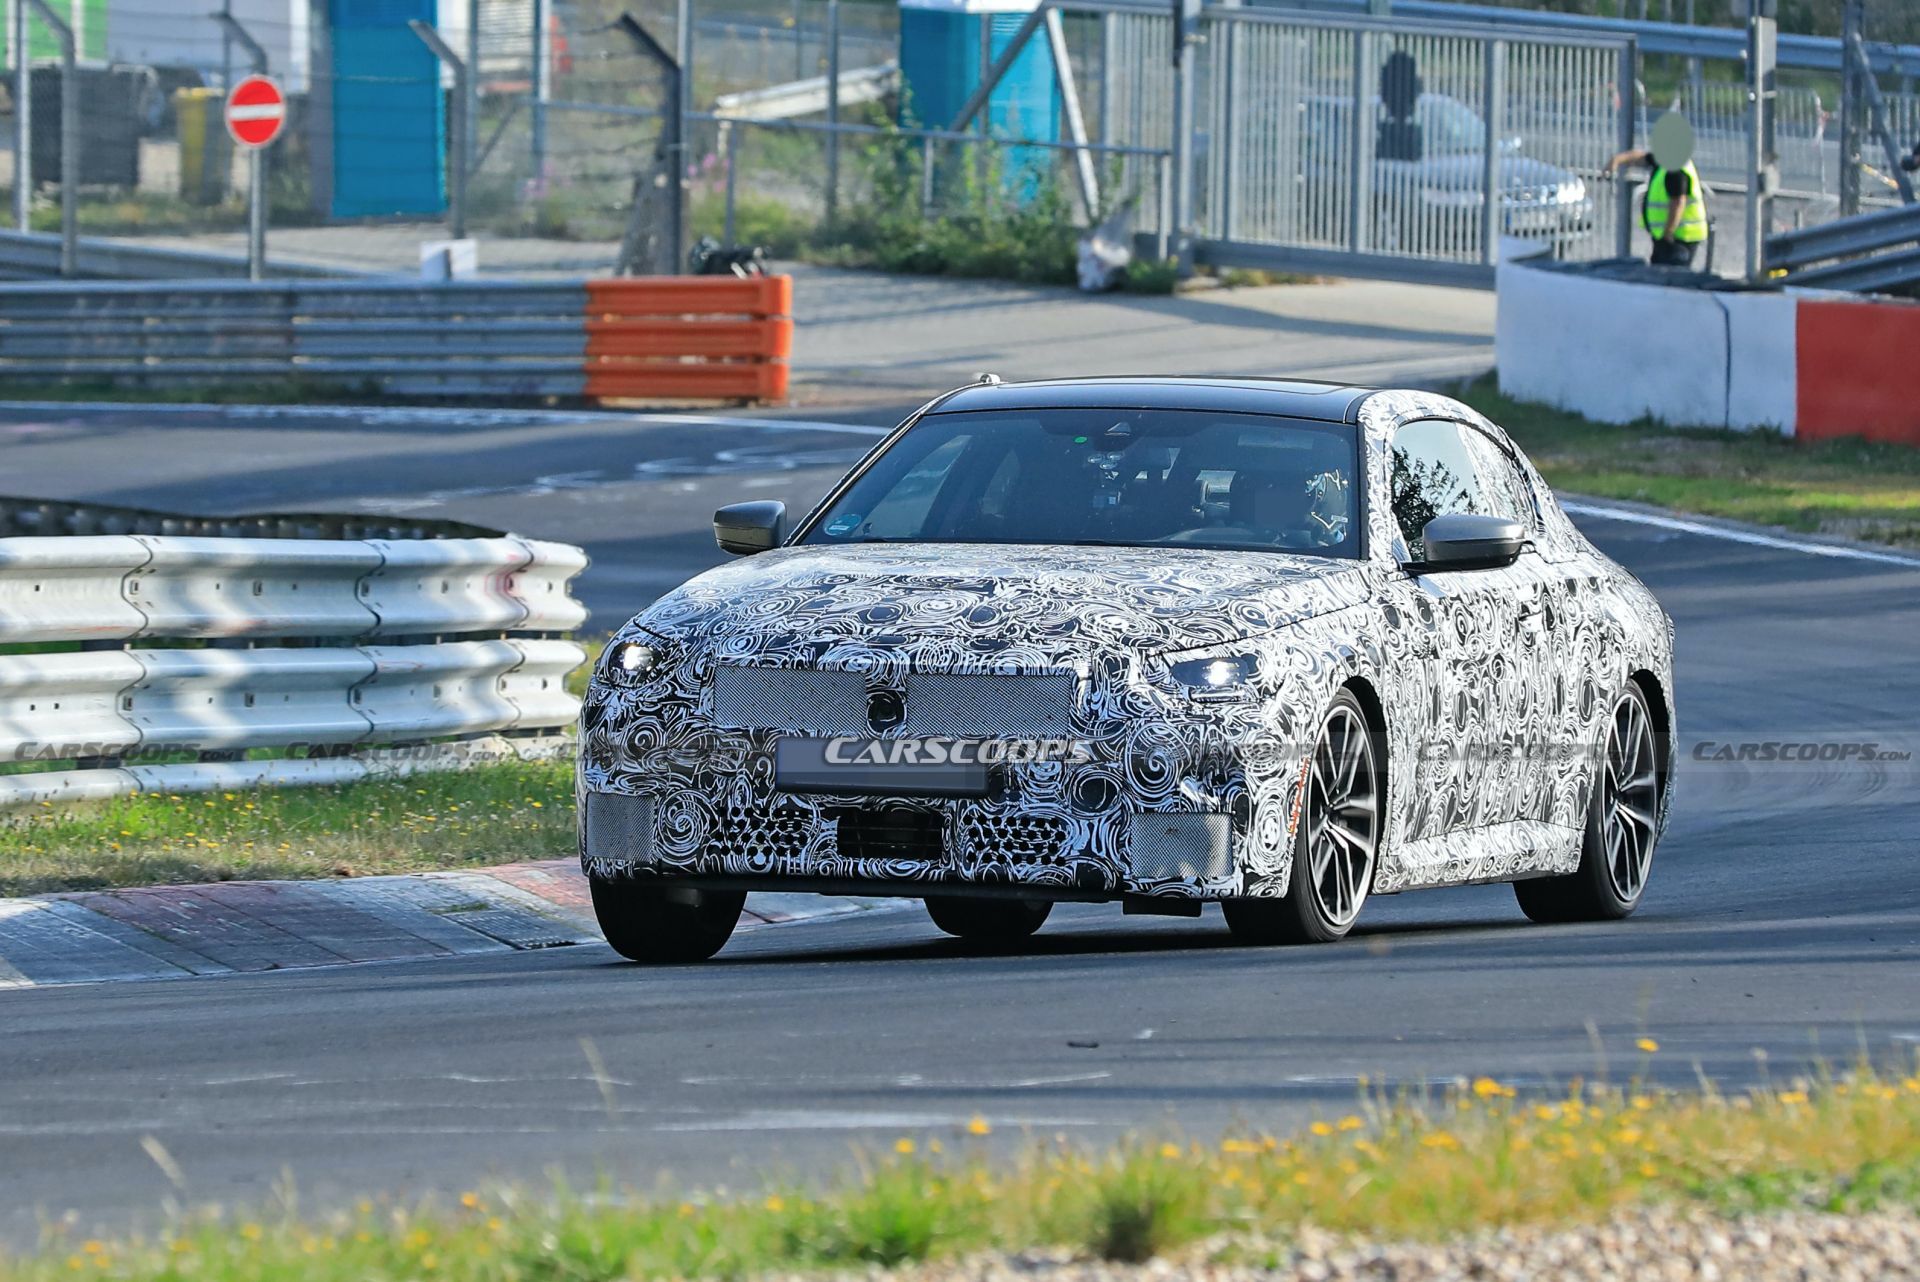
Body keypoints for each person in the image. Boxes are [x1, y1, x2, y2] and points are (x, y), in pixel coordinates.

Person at [1603, 114, 1710, 269]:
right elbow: (1642, 157)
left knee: (1670, 280)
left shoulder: (1676, 168)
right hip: (1671, 237)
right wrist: (1618, 160)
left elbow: (1678, 202)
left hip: (1679, 238)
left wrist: (1667, 234)